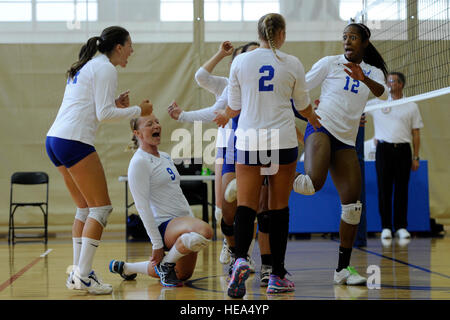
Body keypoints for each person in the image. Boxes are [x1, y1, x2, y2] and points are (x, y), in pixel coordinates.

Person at [216, 13, 319, 298]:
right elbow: (303, 106)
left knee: (246, 206)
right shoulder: (292, 63)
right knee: (278, 207)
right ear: (282, 34)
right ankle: (276, 274)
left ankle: (240, 260)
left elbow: (234, 106)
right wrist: (315, 119)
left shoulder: (241, 61)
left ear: (259, 34)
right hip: (282, 139)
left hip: (248, 138)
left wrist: (225, 114)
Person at [45, 26, 153, 294]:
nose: (132, 50)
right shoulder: (105, 68)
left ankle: (78, 275)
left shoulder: (89, 66)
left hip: (55, 140)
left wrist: (117, 103)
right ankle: (83, 275)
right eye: (130, 45)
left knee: (84, 209)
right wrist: (141, 110)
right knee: (101, 209)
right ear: (118, 47)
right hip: (73, 140)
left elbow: (94, 106)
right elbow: (104, 114)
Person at [292, 22, 389, 285]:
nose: (347, 41)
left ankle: (342, 270)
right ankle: (278, 173)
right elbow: (299, 89)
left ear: (365, 42)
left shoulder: (373, 72)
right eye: (345, 37)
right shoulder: (329, 63)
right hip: (321, 127)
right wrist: (303, 111)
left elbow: (383, 94)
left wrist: (363, 78)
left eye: (353, 37)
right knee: (312, 184)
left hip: (347, 141)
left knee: (353, 206)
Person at [167, 42, 263, 280]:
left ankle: (245, 254)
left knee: (249, 207)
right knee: (223, 210)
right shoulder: (228, 84)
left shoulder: (262, 87)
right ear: (236, 64)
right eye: (247, 57)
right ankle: (230, 246)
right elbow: (202, 78)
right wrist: (222, 53)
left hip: (252, 145)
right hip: (226, 145)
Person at [109, 114, 213, 287]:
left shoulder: (164, 156)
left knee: (182, 275)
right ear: (138, 133)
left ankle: (127, 268)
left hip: (182, 222)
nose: (156, 125)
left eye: (157, 121)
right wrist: (157, 244)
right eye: (149, 124)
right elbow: (142, 207)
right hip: (164, 225)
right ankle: (166, 264)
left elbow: (177, 192)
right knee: (205, 230)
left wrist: (189, 217)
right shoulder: (139, 162)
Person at [366, 72, 423, 240]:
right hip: (384, 151)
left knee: (401, 190)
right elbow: (357, 109)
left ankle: (400, 226)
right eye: (387, 81)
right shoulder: (377, 103)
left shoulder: (411, 105)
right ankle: (385, 227)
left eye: (392, 81)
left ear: (400, 84)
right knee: (384, 190)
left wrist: (416, 157)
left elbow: (416, 133)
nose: (389, 84)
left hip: (403, 151)